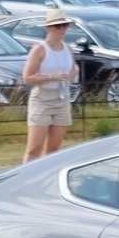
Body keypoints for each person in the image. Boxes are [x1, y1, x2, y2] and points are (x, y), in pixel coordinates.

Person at [21, 9, 78, 163]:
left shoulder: (68, 49)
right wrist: (51, 77)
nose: (62, 30)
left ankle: (48, 176)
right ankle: (27, 175)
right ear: (49, 28)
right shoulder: (40, 49)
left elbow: (72, 69)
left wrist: (74, 72)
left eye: (65, 26)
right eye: (58, 26)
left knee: (54, 150)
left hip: (62, 98)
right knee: (34, 149)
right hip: (42, 98)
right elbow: (27, 77)